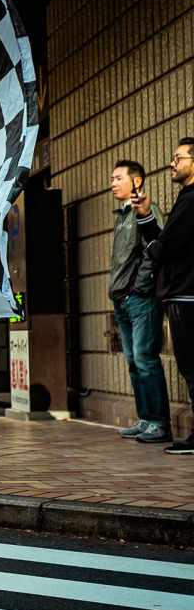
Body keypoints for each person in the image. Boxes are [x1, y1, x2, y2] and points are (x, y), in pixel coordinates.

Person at [107, 159, 171, 443]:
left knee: (146, 360)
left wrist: (139, 288)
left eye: (119, 178)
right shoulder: (122, 216)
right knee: (134, 362)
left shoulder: (146, 211)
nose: (113, 183)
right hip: (122, 300)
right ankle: (146, 418)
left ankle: (159, 422)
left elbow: (154, 250)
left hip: (139, 300)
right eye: (112, 178)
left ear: (137, 181)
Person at [137, 137, 194, 454]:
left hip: (186, 296)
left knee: (191, 367)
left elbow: (165, 246)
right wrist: (146, 218)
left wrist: (154, 252)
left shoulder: (191, 199)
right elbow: (163, 242)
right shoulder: (186, 199)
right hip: (182, 295)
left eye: (179, 158)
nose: (172, 163)